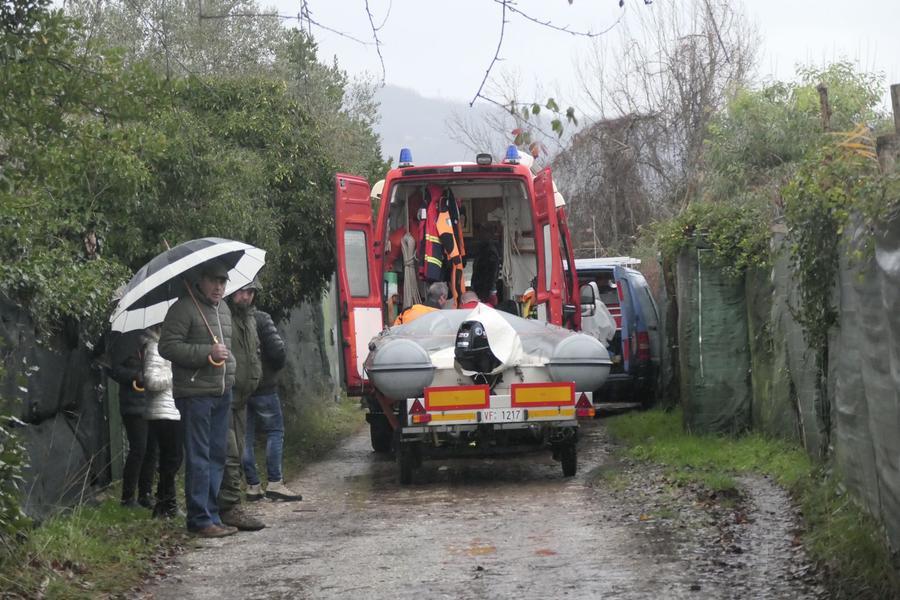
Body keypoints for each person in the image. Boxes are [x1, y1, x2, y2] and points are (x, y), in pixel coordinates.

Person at [159, 260, 237, 538]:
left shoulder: (224, 309)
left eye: (223, 282)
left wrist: (231, 370)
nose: (218, 287)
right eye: (214, 281)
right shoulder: (182, 308)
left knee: (217, 455)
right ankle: (199, 519)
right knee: (200, 457)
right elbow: (167, 346)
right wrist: (207, 353)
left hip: (221, 393)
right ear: (200, 280)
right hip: (195, 395)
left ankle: (212, 515)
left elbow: (227, 348)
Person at [242, 283, 303, 502]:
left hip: (239, 388)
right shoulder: (261, 319)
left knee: (244, 437)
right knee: (275, 431)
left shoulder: (226, 322)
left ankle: (252, 485)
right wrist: (273, 370)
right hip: (264, 387)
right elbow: (278, 352)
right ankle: (275, 482)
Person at [218, 280, 265, 531]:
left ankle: (229, 504)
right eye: (241, 291)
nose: (246, 296)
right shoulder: (222, 316)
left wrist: (255, 377)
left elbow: (254, 352)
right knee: (230, 452)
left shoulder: (249, 319)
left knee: (235, 450)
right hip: (225, 394)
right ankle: (229, 506)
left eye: (250, 292)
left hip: (243, 397)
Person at [108, 328, 157, 509]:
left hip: (153, 400)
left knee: (152, 449)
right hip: (133, 403)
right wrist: (135, 376)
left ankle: (146, 494)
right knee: (139, 448)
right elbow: (114, 369)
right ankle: (128, 498)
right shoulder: (124, 341)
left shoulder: (156, 342)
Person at [141, 324, 183, 519]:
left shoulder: (170, 349)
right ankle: (167, 504)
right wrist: (174, 374)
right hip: (161, 412)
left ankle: (165, 502)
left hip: (174, 410)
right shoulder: (153, 348)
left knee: (174, 458)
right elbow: (150, 381)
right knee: (170, 459)